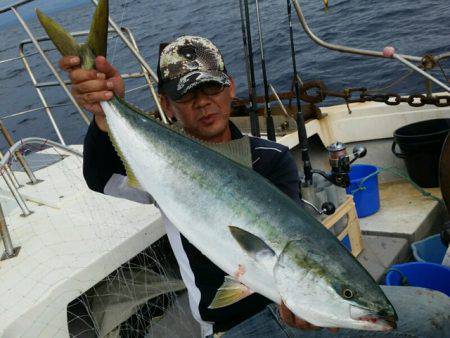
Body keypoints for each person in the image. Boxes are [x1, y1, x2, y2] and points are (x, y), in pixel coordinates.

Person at [60, 35, 449, 337]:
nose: (204, 104)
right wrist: (103, 112)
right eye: (187, 96)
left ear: (230, 86)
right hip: (232, 324)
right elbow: (101, 178)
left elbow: (293, 237)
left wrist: (301, 301)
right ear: (167, 104)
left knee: (438, 315)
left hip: (279, 299)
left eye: (211, 89)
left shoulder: (272, 157)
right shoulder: (160, 164)